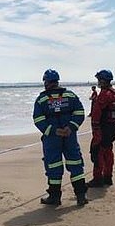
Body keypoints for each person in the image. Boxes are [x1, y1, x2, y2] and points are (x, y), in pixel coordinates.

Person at [33, 69, 88, 206]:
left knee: (53, 166)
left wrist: (53, 131)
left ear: (46, 81)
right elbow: (80, 112)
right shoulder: (70, 95)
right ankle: (81, 196)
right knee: (75, 164)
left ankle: (55, 197)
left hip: (52, 138)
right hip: (69, 136)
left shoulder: (42, 99)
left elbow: (38, 119)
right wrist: (71, 127)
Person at [88, 69, 115, 187]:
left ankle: (97, 179)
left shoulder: (105, 94)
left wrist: (95, 129)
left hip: (102, 128)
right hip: (112, 128)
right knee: (108, 152)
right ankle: (108, 177)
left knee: (97, 152)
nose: (98, 82)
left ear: (102, 80)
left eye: (99, 80)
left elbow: (97, 113)